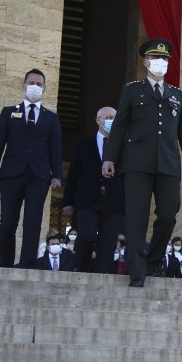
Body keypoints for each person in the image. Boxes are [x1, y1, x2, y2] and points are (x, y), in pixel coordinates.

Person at [102, 38, 182, 288]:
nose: (161, 63)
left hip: (168, 162)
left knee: (169, 213)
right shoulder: (132, 90)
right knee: (136, 218)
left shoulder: (177, 95)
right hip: (136, 162)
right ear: (146, 62)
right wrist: (110, 157)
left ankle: (153, 260)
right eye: (156, 59)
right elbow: (120, 126)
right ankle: (137, 271)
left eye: (165, 59)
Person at [0, 68, 63, 268]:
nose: (35, 87)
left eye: (39, 84)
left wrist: (57, 175)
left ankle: (27, 265)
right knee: (8, 223)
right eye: (32, 83)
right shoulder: (8, 112)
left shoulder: (51, 118)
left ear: (44, 88)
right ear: (24, 85)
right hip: (12, 173)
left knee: (33, 223)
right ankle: (6, 265)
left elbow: (55, 148)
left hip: (39, 175)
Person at [63, 107, 125, 273]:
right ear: (98, 120)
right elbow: (73, 174)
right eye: (107, 117)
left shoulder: (123, 147)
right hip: (88, 200)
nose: (110, 120)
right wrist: (68, 202)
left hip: (114, 201)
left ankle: (102, 275)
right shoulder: (82, 144)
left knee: (109, 243)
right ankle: (81, 268)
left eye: (113, 117)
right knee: (87, 235)